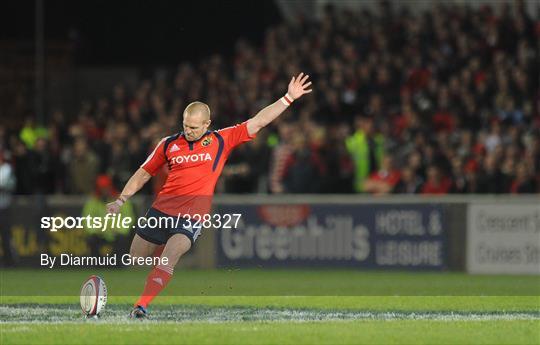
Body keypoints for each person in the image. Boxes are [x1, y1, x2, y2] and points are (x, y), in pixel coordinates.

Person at [106, 73, 312, 318]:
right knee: (135, 260)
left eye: (194, 127)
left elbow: (257, 122)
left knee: (169, 258)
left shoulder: (220, 140)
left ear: (207, 124)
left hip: (192, 216)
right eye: (185, 125)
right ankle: (149, 278)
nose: (189, 131)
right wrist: (121, 200)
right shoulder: (168, 144)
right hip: (161, 210)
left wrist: (288, 98)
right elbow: (143, 173)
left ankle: (141, 307)